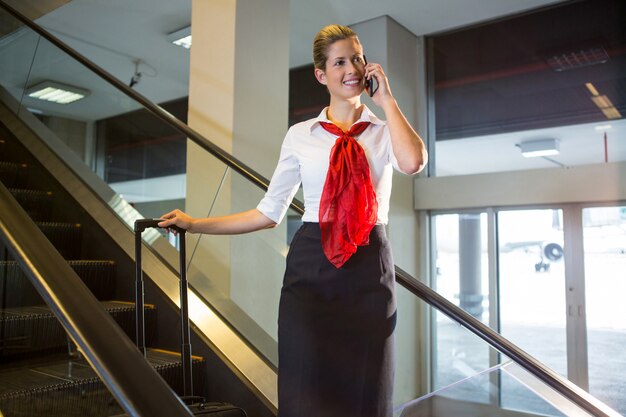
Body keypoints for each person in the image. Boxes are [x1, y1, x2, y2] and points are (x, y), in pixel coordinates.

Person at [159, 24, 427, 417]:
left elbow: (413, 162)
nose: (351, 68)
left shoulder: (385, 132)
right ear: (321, 75)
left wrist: (388, 101)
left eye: (357, 57)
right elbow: (268, 213)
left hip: (369, 268)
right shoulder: (302, 135)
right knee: (304, 390)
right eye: (339, 62)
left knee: (368, 390)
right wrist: (195, 223)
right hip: (311, 270)